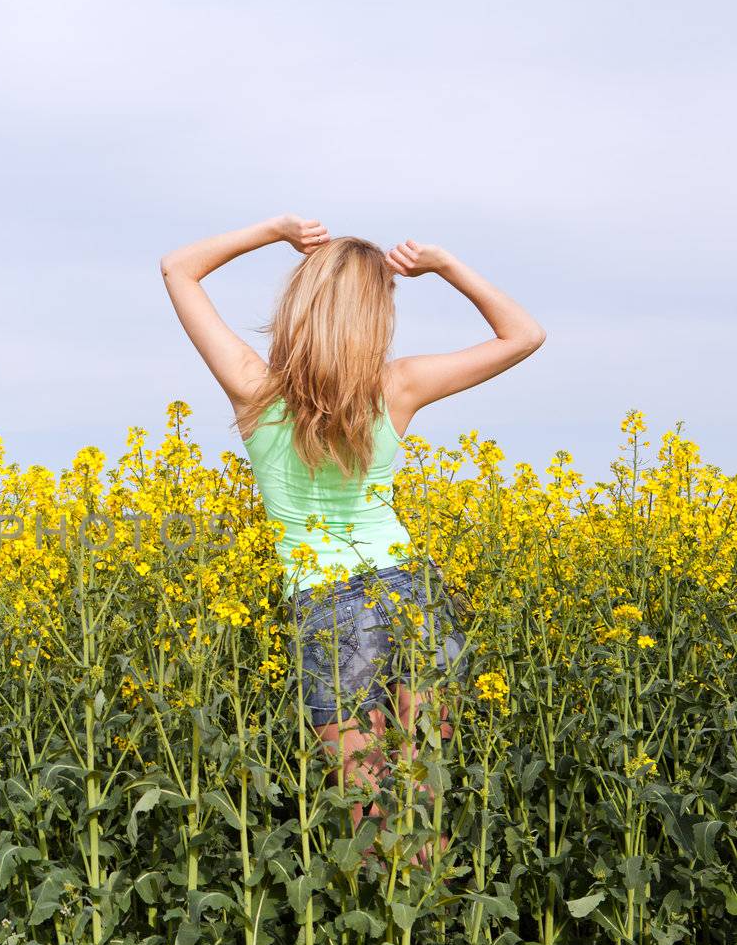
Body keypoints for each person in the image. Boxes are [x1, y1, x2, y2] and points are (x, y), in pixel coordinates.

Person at [159, 213, 544, 865]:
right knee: (422, 808)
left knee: (368, 822)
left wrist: (274, 231)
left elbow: (177, 267)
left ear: (303, 304)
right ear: (376, 317)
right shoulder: (396, 387)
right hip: (412, 595)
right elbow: (524, 334)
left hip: (329, 610)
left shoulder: (254, 390)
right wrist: (443, 265)